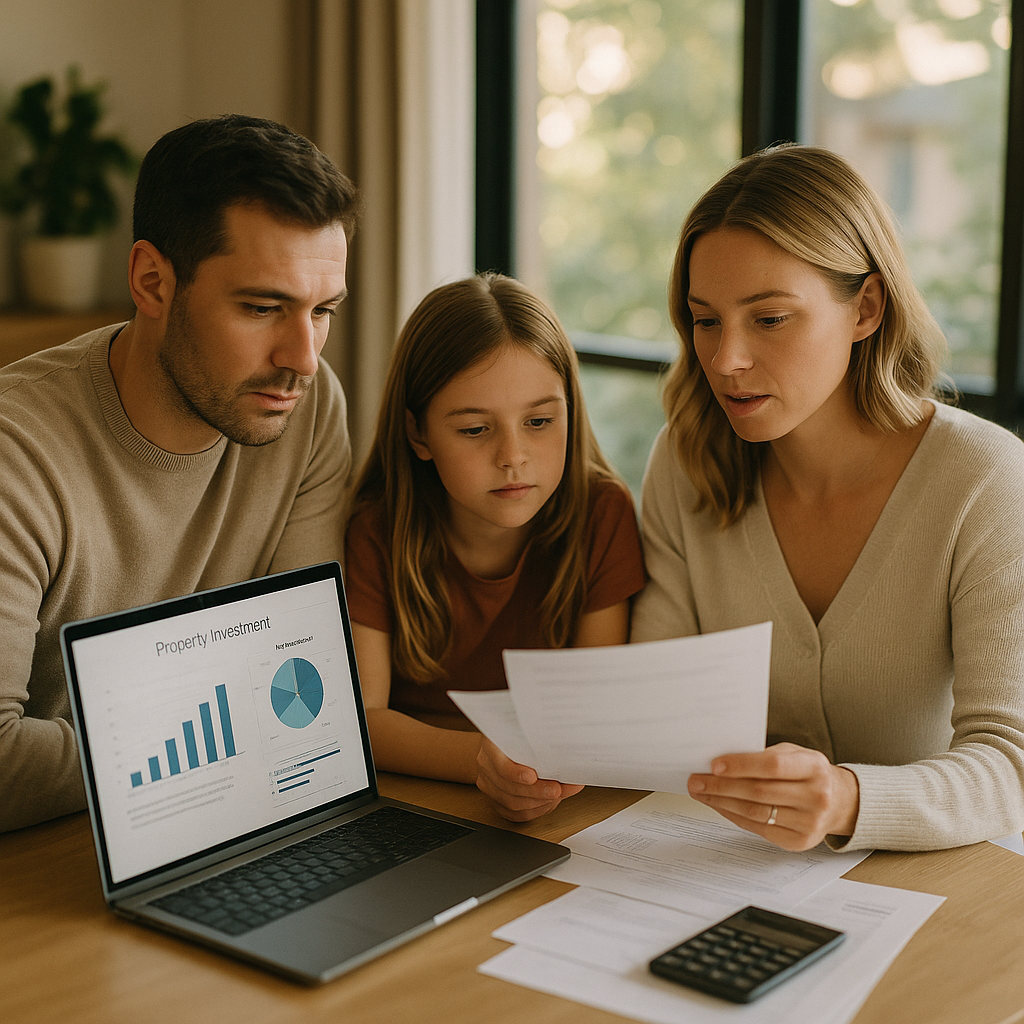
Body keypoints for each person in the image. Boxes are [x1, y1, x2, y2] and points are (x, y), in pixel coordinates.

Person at [632, 144, 1024, 853]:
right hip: (719, 872)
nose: (725, 360)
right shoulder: (685, 464)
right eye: (706, 319)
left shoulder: (984, 480)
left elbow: (1011, 766)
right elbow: (660, 715)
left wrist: (847, 799)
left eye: (770, 318)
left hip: (935, 897)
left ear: (865, 308)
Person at [0, 114, 358, 832]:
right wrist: (231, 737)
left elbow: (300, 682)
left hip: (222, 827)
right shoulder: (17, 454)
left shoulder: (307, 411)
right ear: (152, 281)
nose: (303, 357)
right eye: (263, 308)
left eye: (322, 311)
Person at [345, 273, 645, 821]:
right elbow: (363, 717)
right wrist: (480, 760)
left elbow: (591, 711)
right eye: (475, 429)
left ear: (570, 414)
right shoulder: (376, 530)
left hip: (558, 801)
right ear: (418, 435)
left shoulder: (602, 513)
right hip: (414, 804)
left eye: (538, 421)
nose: (513, 455)